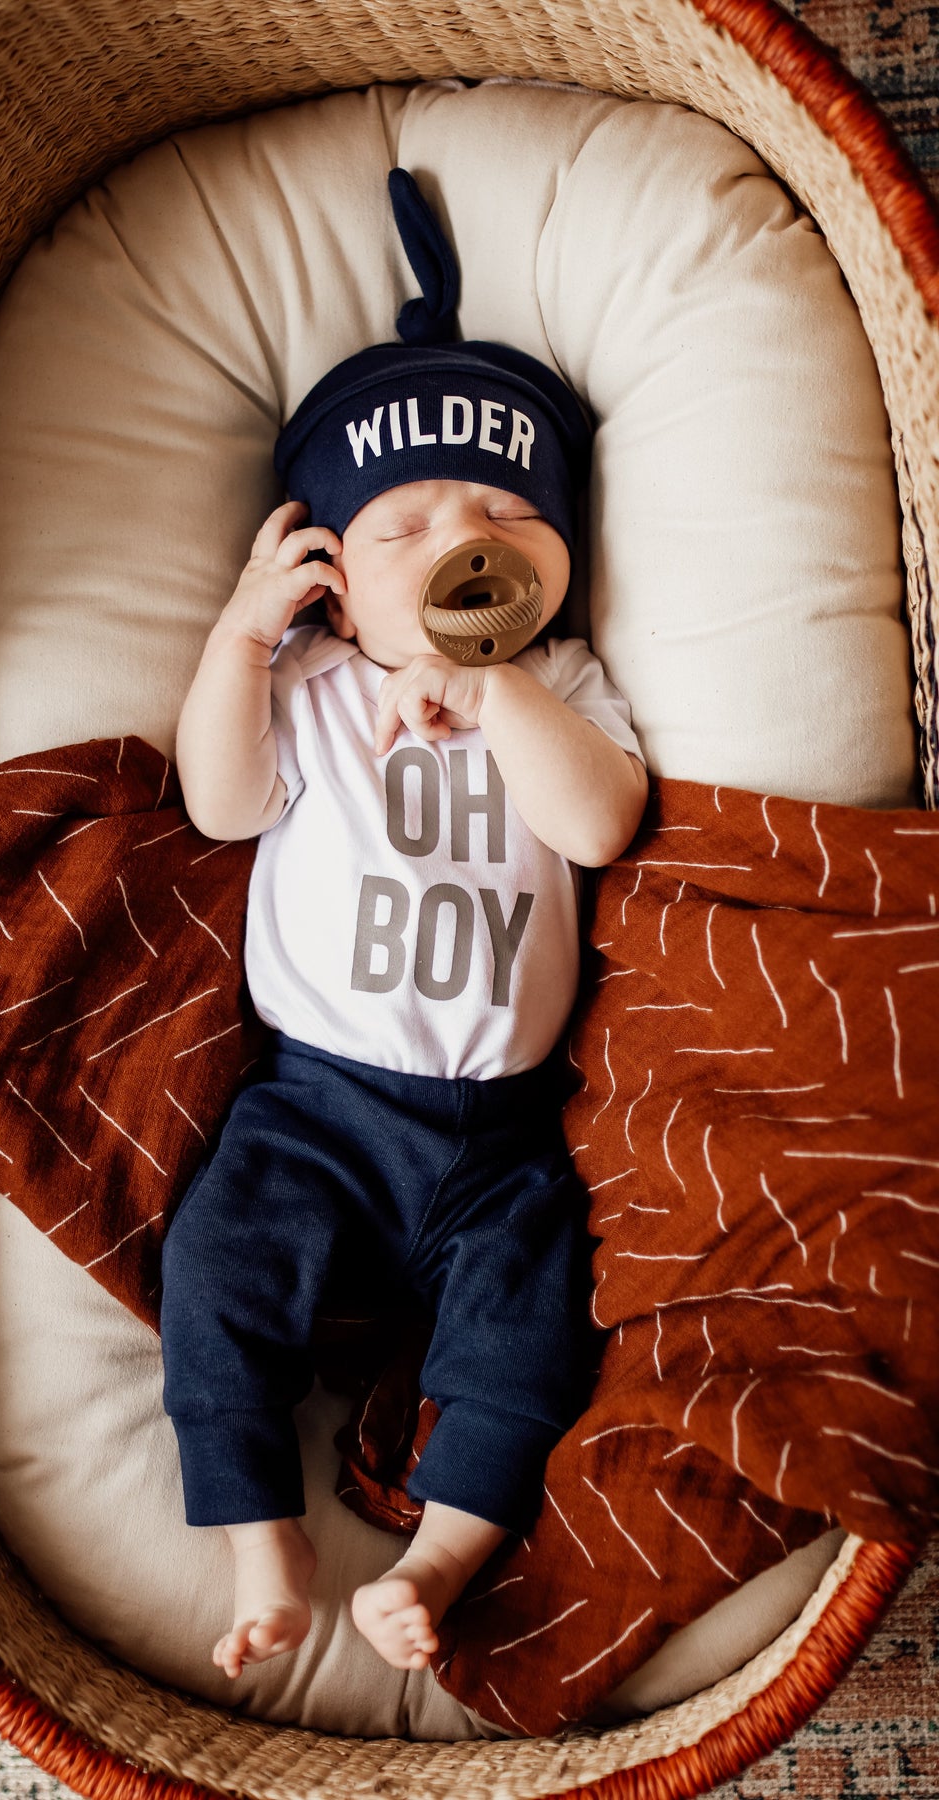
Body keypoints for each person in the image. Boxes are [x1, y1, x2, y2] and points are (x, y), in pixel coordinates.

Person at [162, 170, 648, 1681]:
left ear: (560, 559)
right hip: (316, 1106)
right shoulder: (313, 689)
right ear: (329, 579)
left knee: (539, 1320)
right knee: (214, 1274)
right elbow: (222, 807)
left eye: (508, 513)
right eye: (408, 524)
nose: (463, 542)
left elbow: (597, 827)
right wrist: (244, 642)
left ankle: (438, 1561)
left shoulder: (558, 691)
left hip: (506, 1132)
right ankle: (265, 1537)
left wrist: (501, 693)